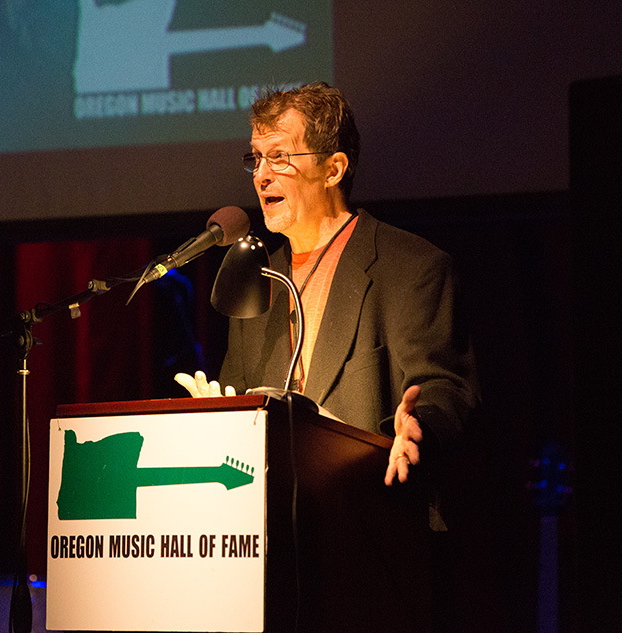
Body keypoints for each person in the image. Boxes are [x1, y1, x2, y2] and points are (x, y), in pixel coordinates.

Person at [175, 82, 479, 487]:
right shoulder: (257, 275)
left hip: (374, 516)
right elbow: (242, 403)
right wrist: (218, 417)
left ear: (333, 169)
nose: (261, 176)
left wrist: (420, 426)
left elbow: (446, 386)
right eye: (257, 158)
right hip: (272, 524)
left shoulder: (411, 268)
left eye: (280, 157)